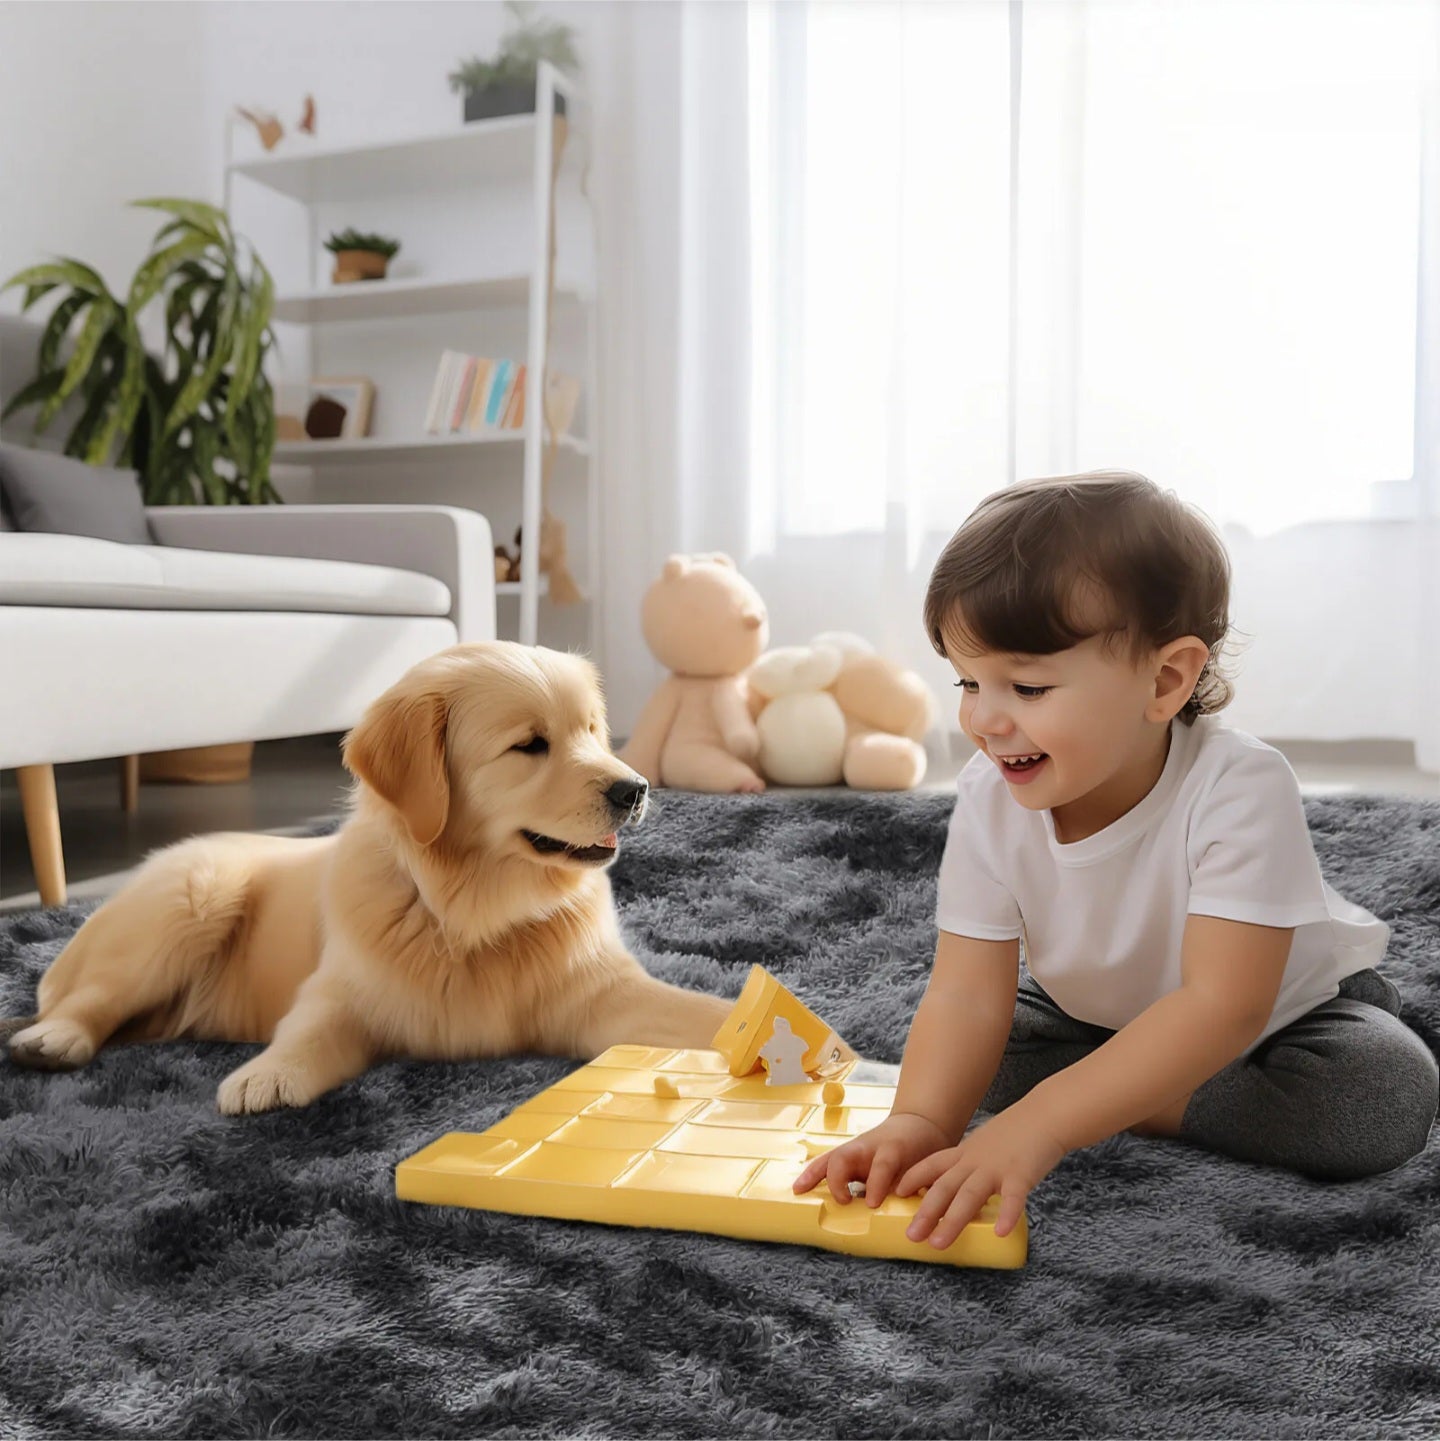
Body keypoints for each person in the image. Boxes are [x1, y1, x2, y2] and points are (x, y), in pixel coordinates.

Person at [794, 471, 1439, 1249]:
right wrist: (919, 1120)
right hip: (1089, 1012)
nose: (984, 719)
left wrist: (1043, 1122)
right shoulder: (990, 795)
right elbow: (966, 993)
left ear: (1164, 680)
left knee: (1380, 1095)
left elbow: (1223, 1004)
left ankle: (1106, 1087)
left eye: (1026, 686)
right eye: (968, 681)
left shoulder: (1241, 784)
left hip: (1278, 1019)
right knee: (969, 1056)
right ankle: (1119, 1082)